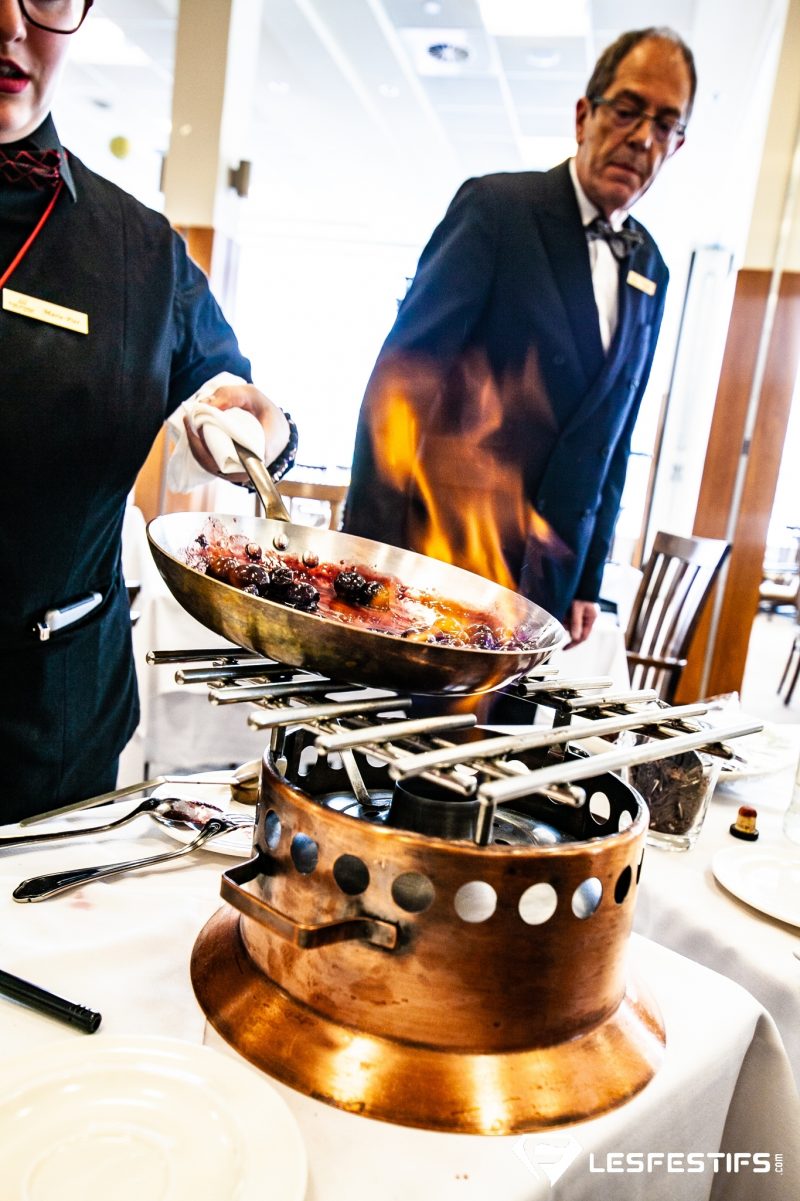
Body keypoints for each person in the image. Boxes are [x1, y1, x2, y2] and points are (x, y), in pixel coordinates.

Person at [0, 0, 295, 822]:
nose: (7, 25)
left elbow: (235, 395)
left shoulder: (140, 253)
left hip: (46, 728)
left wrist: (246, 424)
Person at [344, 27, 696, 651]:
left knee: (505, 746)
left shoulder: (654, 269)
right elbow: (401, 383)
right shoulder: (498, 210)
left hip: (548, 577)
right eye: (627, 109)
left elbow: (613, 439)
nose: (642, 137)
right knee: (401, 739)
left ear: (677, 145)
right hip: (444, 554)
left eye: (665, 123)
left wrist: (588, 578)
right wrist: (366, 556)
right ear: (584, 116)